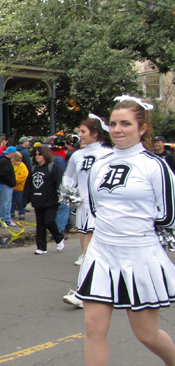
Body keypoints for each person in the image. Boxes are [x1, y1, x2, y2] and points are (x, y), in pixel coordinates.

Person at [69, 97, 175, 366]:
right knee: (93, 327)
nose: (117, 129)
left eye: (126, 123)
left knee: (146, 333)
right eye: (113, 123)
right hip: (103, 252)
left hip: (140, 253)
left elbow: (168, 215)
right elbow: (96, 205)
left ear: (142, 128)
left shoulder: (154, 166)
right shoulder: (100, 161)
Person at [61, 116, 114, 307]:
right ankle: (101, 288)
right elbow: (68, 177)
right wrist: (70, 193)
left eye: (83, 132)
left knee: (89, 253)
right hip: (82, 208)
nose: (79, 135)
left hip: (101, 209)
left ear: (95, 133)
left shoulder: (108, 154)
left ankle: (84, 293)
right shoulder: (77, 155)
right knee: (87, 252)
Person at [23, 145, 65, 255]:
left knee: (49, 221)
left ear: (45, 155)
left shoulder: (53, 167)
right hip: (38, 201)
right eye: (35, 155)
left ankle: (59, 237)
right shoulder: (33, 169)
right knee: (40, 224)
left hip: (51, 201)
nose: (37, 157)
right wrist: (25, 200)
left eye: (39, 154)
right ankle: (41, 247)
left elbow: (59, 183)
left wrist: (61, 197)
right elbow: (28, 185)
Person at [0, 146, 17, 226]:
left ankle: (7, 219)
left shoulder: (6, 160)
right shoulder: (4, 161)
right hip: (6, 184)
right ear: (11, 153)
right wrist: (10, 181)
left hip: (9, 184)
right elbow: (4, 174)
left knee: (8, 202)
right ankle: (2, 220)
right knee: (5, 203)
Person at [10, 151, 28, 221]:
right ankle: (11, 212)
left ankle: (22, 213)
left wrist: (14, 180)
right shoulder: (12, 165)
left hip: (20, 187)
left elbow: (23, 177)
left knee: (20, 201)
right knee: (11, 201)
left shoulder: (22, 166)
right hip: (12, 187)